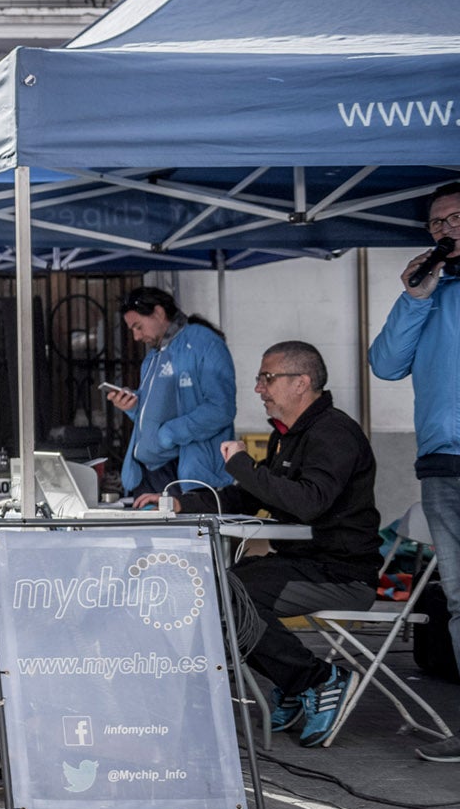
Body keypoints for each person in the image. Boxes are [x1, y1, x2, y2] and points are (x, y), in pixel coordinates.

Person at [171, 341, 376, 749]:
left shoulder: (333, 432)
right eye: (259, 379)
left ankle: (318, 679)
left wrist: (242, 465)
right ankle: (295, 681)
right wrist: (180, 503)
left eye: (268, 378)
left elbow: (308, 501)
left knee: (231, 595)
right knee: (212, 592)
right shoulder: (290, 435)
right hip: (299, 563)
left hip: (340, 572)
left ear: (301, 383)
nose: (259, 388)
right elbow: (251, 496)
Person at [369, 181, 460, 762]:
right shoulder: (431, 294)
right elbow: (384, 364)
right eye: (435, 223)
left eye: (455, 217)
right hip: (442, 465)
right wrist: (415, 296)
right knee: (459, 602)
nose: (444, 229)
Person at [104, 286, 237, 503]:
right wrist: (133, 407)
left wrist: (168, 434)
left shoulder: (204, 343)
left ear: (158, 313)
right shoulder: (154, 356)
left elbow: (221, 408)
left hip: (187, 474)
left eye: (138, 326)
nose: (136, 336)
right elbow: (157, 412)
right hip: (148, 474)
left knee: (187, 536)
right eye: (132, 330)